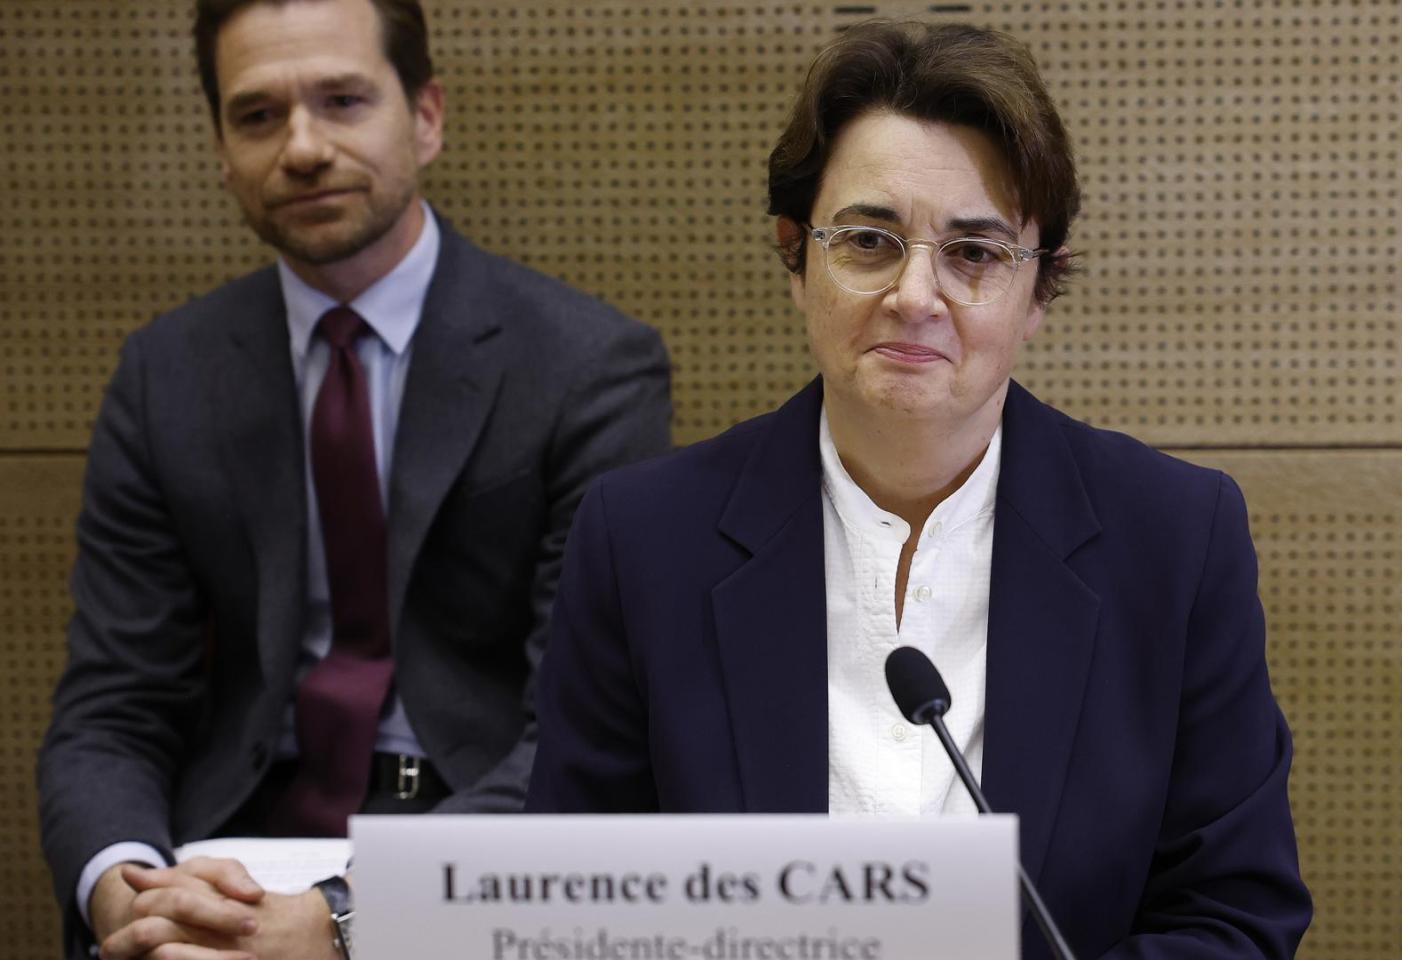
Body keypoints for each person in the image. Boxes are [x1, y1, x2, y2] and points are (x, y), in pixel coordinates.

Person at [525, 19, 1310, 960]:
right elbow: (580, 910)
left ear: (1040, 293)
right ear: (795, 258)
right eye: (868, 240)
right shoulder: (642, 541)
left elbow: (1234, 918)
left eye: (973, 254)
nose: (914, 295)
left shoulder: (1176, 539)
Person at [35, 0, 672, 956]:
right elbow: (113, 706)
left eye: (342, 100)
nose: (301, 147)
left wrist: (350, 916)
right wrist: (127, 892)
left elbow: (586, 731)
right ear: (218, 145)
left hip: (475, 850)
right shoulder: (165, 375)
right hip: (220, 864)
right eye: (257, 116)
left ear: (425, 117)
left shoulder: (587, 368)